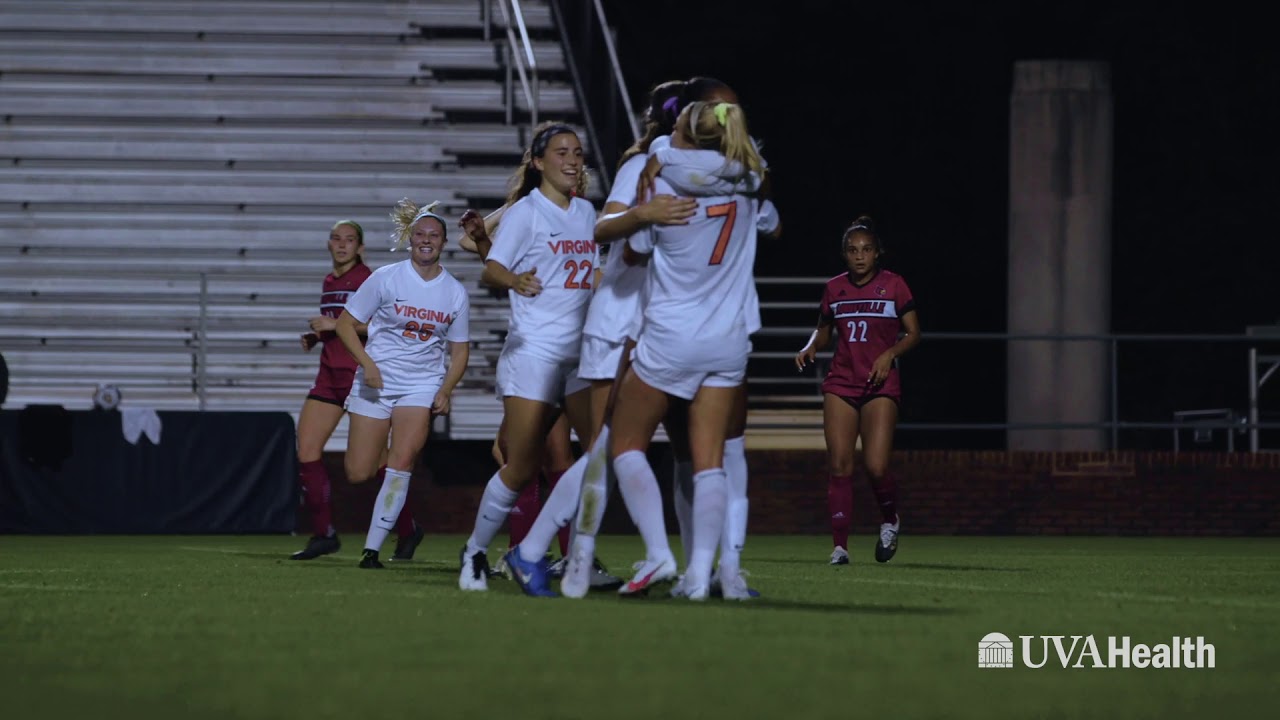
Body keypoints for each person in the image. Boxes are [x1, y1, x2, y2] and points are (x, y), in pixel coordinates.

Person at [603, 99, 766, 601]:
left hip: (673, 336)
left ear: (687, 140)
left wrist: (657, 167)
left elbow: (633, 250)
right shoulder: (750, 183)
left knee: (625, 445)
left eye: (674, 129)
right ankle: (700, 576)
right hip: (728, 341)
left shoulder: (666, 186)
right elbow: (748, 172)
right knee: (709, 460)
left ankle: (659, 553)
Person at [456, 122, 598, 594]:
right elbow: (493, 268)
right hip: (534, 352)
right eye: (561, 152)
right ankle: (476, 551)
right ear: (538, 162)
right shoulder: (526, 212)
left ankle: (562, 556)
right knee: (519, 465)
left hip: (579, 356)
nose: (573, 160)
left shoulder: (586, 212)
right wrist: (514, 280)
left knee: (602, 457)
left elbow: (589, 274)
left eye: (577, 152)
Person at [335, 199, 471, 568]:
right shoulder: (386, 277)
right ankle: (404, 527)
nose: (427, 240)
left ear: (443, 242)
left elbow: (460, 351)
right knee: (359, 471)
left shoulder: (455, 292)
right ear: (410, 239)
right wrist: (367, 364)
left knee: (402, 461)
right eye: (420, 235)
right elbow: (345, 325)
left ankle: (372, 550)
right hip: (375, 381)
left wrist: (445, 389)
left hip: (420, 385)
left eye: (435, 235)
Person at [290, 220, 423, 562]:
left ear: (360, 248)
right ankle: (324, 533)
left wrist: (335, 326)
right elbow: (338, 325)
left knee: (376, 465)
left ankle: (407, 527)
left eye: (350, 240)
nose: (342, 245)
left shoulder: (369, 278)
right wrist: (319, 336)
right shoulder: (331, 280)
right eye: (336, 239)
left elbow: (384, 324)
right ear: (328, 244)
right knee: (306, 449)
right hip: (328, 377)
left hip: (358, 376)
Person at [795, 216, 921, 565]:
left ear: (877, 253)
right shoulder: (835, 288)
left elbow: (914, 333)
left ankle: (890, 519)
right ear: (844, 254)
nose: (860, 256)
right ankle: (840, 547)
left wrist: (890, 353)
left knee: (877, 466)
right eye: (853, 250)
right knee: (839, 465)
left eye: (866, 250)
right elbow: (822, 331)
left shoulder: (894, 285)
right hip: (841, 383)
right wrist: (810, 347)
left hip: (879, 384)